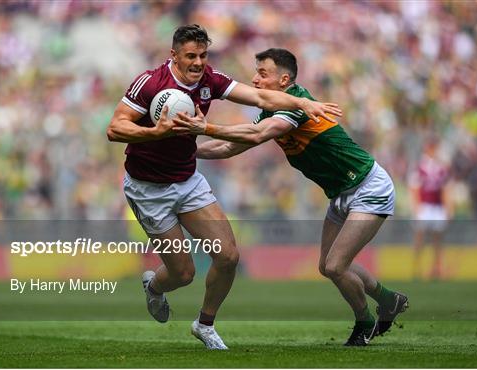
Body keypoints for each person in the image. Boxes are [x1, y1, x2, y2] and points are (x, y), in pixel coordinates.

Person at [106, 26, 342, 350]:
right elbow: (115, 128)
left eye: (203, 55)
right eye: (191, 55)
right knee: (183, 274)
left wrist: (303, 105)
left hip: (188, 181)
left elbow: (260, 96)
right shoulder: (150, 83)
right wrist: (156, 133)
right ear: (173, 55)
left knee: (228, 255)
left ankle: (204, 324)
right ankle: (155, 288)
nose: (198, 62)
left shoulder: (210, 81)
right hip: (148, 189)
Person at [173, 48, 408, 346]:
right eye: (255, 72)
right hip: (341, 194)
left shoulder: (298, 105)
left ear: (284, 80)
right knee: (328, 265)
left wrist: (205, 127)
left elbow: (257, 135)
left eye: (263, 74)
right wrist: (185, 152)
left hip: (369, 187)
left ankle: (365, 322)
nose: (255, 80)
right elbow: (230, 148)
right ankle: (389, 300)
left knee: (336, 266)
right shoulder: (271, 111)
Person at [409, 136, 452, 280]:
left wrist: (448, 208)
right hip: (425, 206)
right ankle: (416, 267)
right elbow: (414, 188)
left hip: (437, 207)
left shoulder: (441, 168)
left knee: (437, 239)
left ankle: (436, 268)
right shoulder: (420, 166)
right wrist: (416, 208)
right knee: (420, 238)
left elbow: (445, 189)